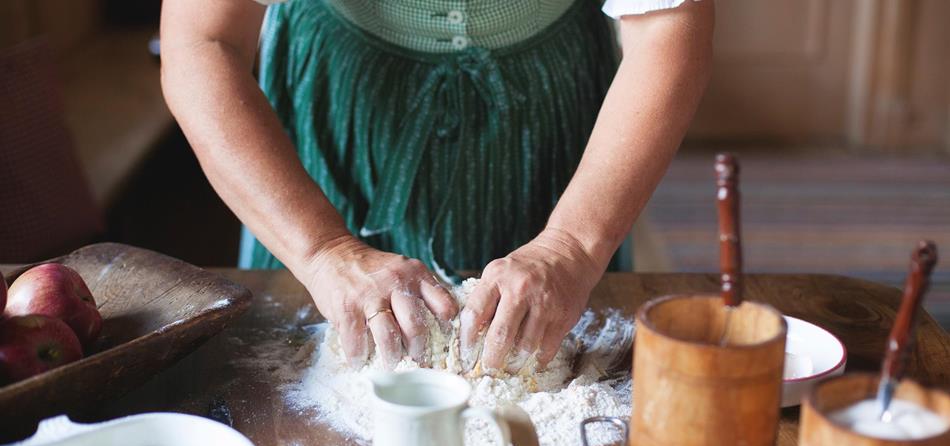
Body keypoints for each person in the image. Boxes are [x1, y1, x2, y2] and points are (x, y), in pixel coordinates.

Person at [160, 0, 713, 372]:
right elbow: (202, 40)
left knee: (544, 340)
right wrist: (324, 251)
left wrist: (569, 247)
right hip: (339, 97)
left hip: (548, 95)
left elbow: (667, 22)